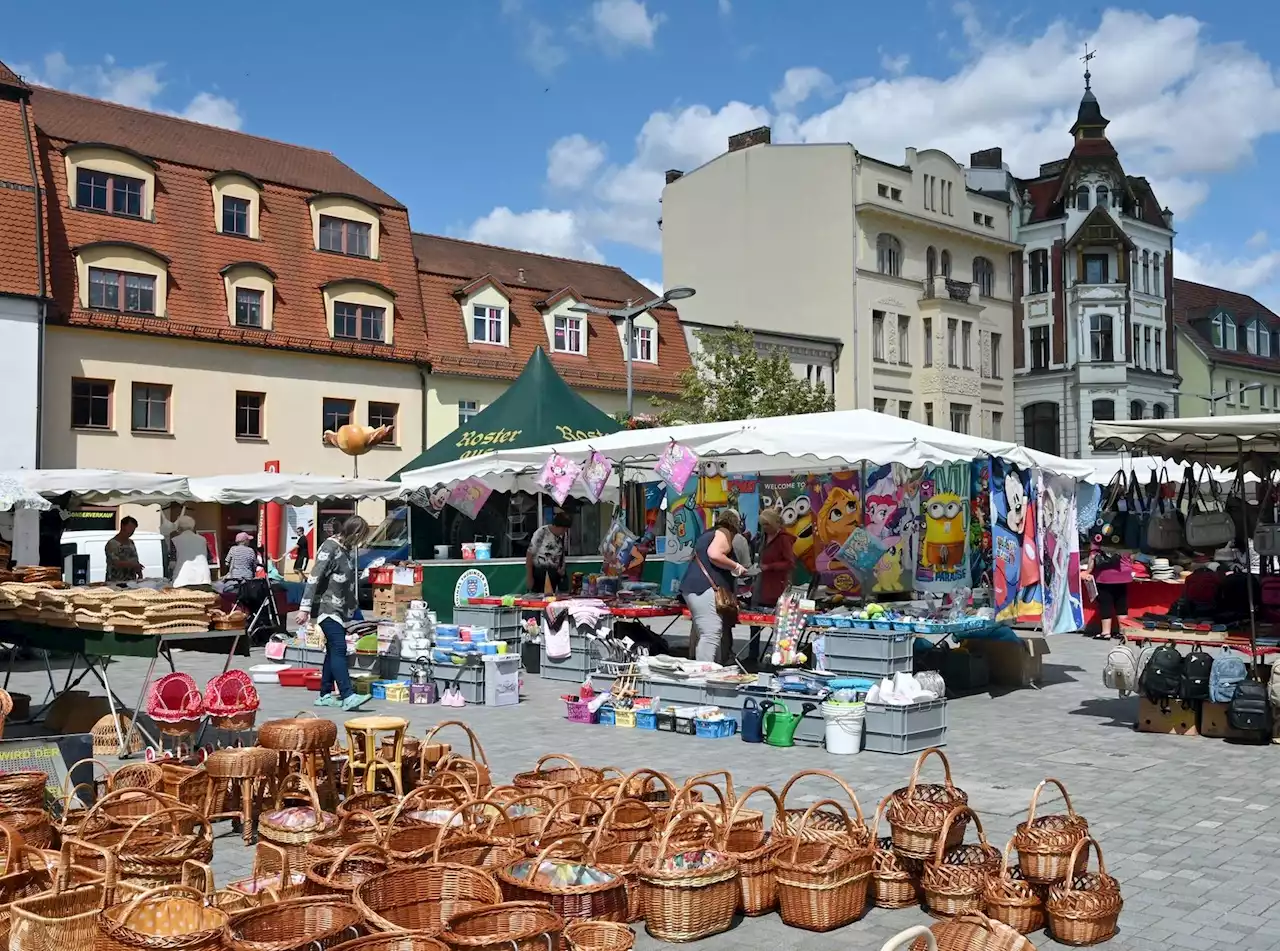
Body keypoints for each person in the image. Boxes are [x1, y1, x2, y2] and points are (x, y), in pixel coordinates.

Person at [297, 516, 369, 710]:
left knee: (332, 651)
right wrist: (304, 608)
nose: (361, 542)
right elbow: (314, 577)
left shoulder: (346, 550)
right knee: (339, 648)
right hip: (327, 608)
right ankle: (347, 695)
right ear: (353, 533)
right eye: (360, 537)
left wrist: (356, 613)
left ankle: (325, 694)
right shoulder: (330, 547)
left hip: (341, 610)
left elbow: (347, 584)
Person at [680, 510, 746, 664]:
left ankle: (710, 668)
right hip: (704, 588)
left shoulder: (709, 534)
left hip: (695, 587)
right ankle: (704, 675)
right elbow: (715, 554)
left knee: (708, 632)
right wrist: (736, 566)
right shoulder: (723, 532)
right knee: (711, 632)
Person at [748, 507, 796, 665]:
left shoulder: (783, 539)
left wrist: (770, 566)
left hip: (776, 586)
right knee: (754, 622)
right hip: (760, 585)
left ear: (775, 523)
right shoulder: (763, 538)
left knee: (776, 625)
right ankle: (752, 655)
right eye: (762, 525)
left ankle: (775, 657)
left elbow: (790, 562)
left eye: (767, 525)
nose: (764, 528)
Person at [1081, 532, 1130, 640]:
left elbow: (1093, 557)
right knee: (1121, 604)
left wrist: (1088, 571)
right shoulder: (1124, 535)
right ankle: (1124, 632)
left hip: (1105, 577)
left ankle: (1106, 632)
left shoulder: (1098, 537)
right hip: (1122, 575)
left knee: (1105, 603)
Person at [526, 511, 572, 593]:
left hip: (554, 573)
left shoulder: (563, 536)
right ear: (556, 525)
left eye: (566, 529)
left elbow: (562, 553)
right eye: (563, 528)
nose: (564, 531)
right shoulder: (541, 532)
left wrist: (562, 568)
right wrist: (529, 576)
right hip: (540, 573)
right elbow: (530, 554)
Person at [169, 515, 212, 588]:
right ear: (193, 527)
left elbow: (172, 563)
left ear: (179, 528)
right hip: (202, 578)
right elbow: (209, 558)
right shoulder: (202, 539)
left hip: (182, 579)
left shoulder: (175, 540)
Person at [104, 516, 143, 583]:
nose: (132, 531)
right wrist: (132, 564)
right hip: (115, 582)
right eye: (130, 528)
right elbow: (115, 562)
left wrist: (139, 574)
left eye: (133, 529)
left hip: (131, 581)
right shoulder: (112, 544)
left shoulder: (131, 543)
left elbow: (135, 559)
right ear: (122, 526)